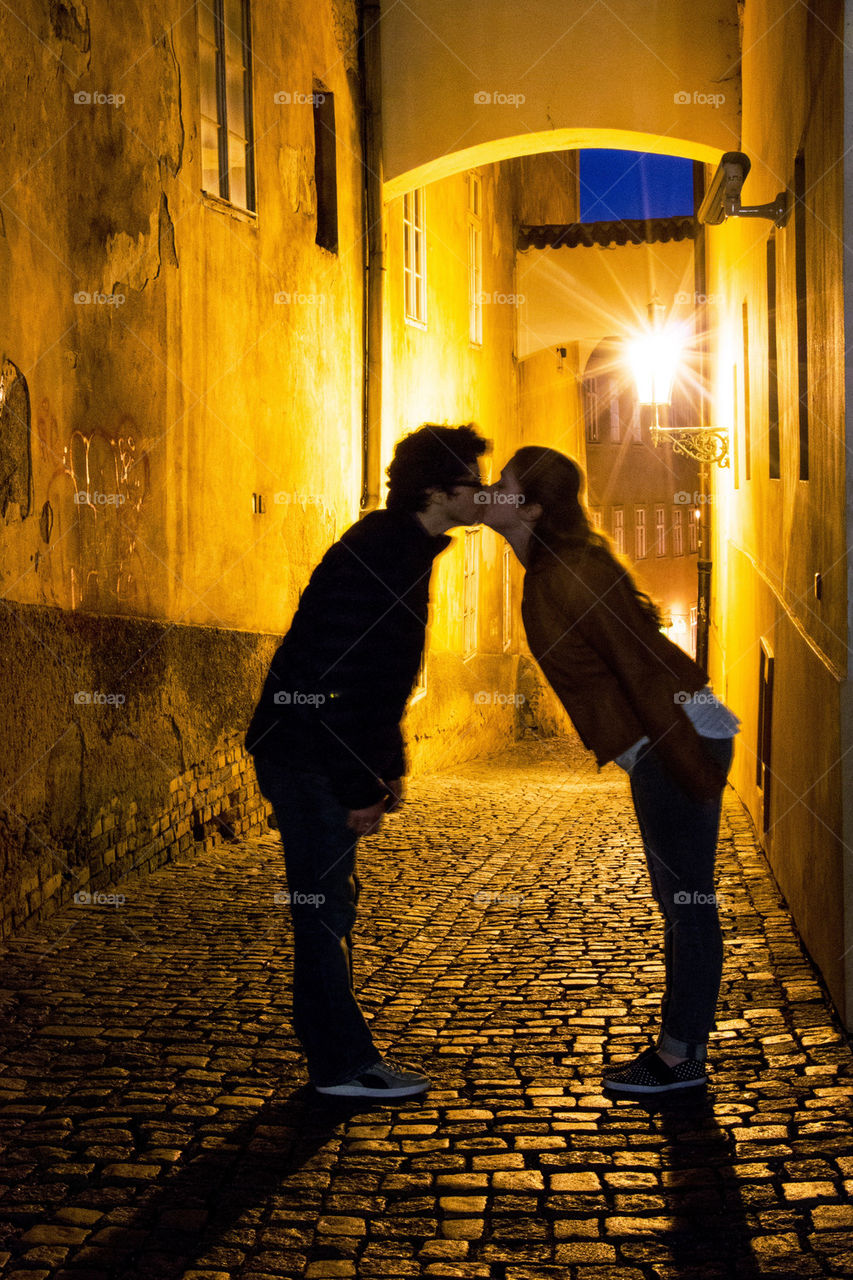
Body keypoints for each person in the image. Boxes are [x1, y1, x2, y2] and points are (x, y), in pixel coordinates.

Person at [481, 446, 740, 1096]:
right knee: (683, 902)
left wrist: (690, 763)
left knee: (688, 904)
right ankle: (682, 1049)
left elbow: (640, 667)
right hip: (672, 733)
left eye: (503, 486)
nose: (491, 492)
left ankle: (680, 1058)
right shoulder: (551, 565)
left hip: (674, 732)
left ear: (531, 508)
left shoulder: (566, 571)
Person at [245, 424, 488, 1099]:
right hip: (308, 755)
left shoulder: (399, 547)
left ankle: (340, 1058)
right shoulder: (382, 552)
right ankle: (340, 1067)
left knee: (329, 905)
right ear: (438, 491)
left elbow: (383, 680)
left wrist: (388, 767)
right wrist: (358, 779)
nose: (484, 494)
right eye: (475, 482)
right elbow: (336, 677)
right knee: (323, 911)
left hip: (314, 751)